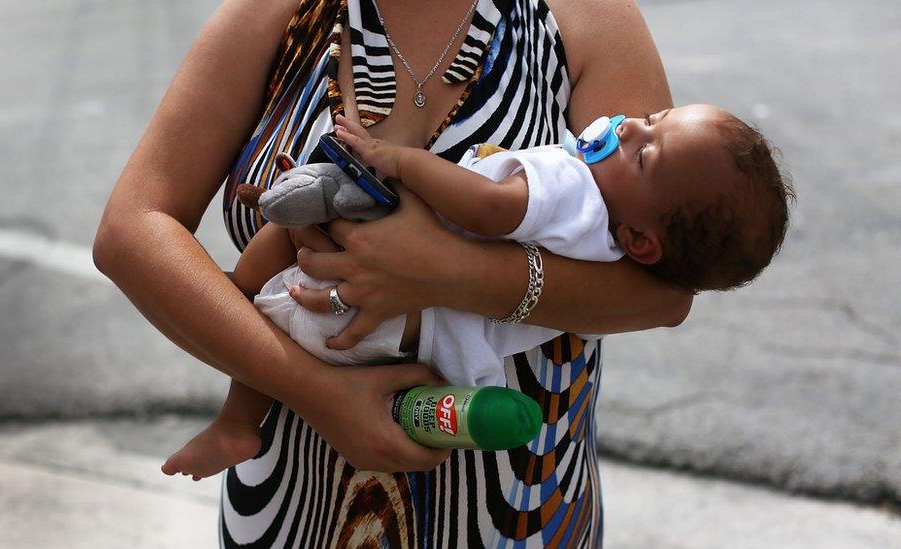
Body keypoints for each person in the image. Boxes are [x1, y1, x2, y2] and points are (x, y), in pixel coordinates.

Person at [94, 0, 695, 545]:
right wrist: (319, 394)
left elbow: (662, 292)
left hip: (516, 510)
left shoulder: (587, 19)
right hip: (291, 510)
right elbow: (131, 229)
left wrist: (453, 272)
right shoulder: (273, 13)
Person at [160, 106, 791, 480]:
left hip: (382, 306)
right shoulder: (615, 244)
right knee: (286, 295)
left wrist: (400, 161)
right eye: (652, 120)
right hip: (418, 346)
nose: (629, 126)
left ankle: (237, 387)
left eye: (646, 152)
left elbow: (491, 208)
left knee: (279, 255)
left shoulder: (574, 189)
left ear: (644, 239)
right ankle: (240, 416)